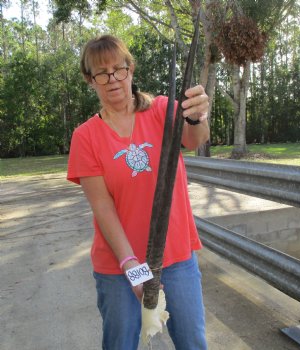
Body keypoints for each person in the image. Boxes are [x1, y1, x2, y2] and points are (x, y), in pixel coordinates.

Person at [67, 34, 210, 350]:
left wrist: (198, 115)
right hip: (120, 264)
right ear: (90, 80)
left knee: (193, 342)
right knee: (120, 344)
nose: (112, 79)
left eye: (119, 69)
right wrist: (130, 264)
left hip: (175, 256)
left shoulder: (161, 110)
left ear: (131, 69)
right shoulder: (85, 137)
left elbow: (193, 138)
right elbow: (102, 206)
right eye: (101, 73)